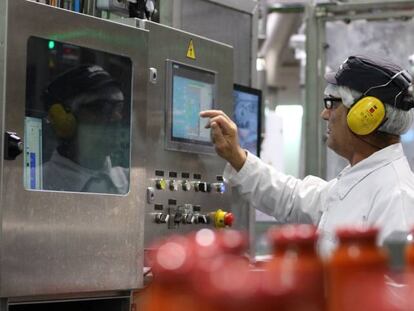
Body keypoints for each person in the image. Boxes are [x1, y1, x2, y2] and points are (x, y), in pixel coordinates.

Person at [201, 55, 414, 257]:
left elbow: (396, 289)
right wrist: (237, 157)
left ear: (365, 115)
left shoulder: (396, 196)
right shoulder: (362, 178)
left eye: (332, 103)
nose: (324, 114)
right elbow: (293, 199)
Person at [42, 64, 129, 194]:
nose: (117, 118)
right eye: (102, 107)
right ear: (64, 120)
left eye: (119, 108)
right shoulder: (37, 181)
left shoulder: (131, 182)